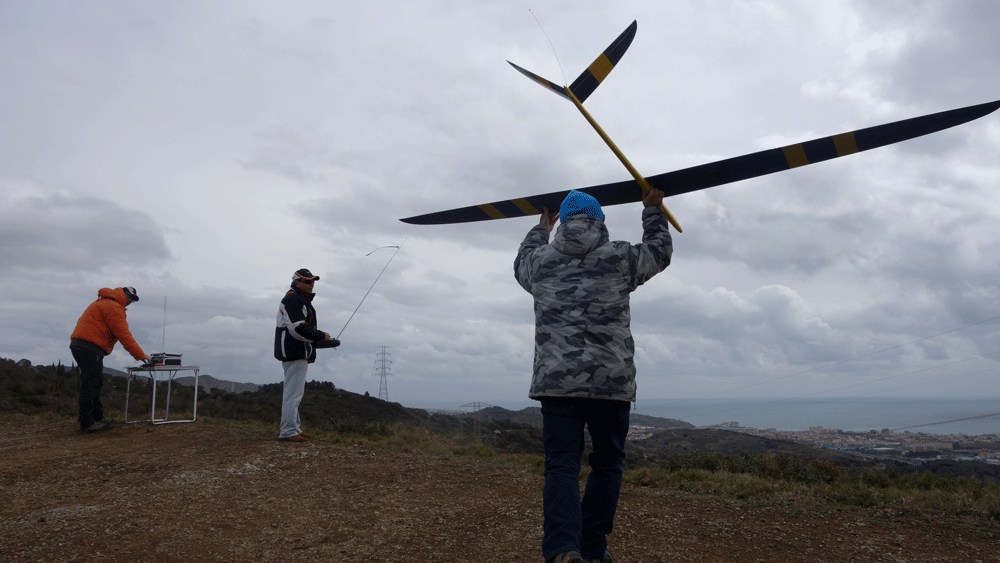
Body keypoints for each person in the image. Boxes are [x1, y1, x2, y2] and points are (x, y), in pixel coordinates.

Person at [514, 188, 673, 563]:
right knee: (607, 463)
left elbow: (521, 262)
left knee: (561, 464)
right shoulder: (620, 256)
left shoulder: (539, 262)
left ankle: (562, 550)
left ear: (562, 222)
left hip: (557, 383)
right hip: (611, 383)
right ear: (600, 220)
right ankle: (592, 549)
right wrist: (653, 211)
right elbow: (659, 252)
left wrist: (540, 228)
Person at [69, 287, 151, 434]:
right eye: (130, 297)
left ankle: (97, 417)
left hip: (82, 346)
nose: (130, 301)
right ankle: (87, 423)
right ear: (123, 294)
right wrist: (141, 355)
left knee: (95, 382)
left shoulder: (104, 302)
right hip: (90, 347)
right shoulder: (114, 307)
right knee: (90, 384)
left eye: (133, 300)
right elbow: (123, 334)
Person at [274, 268, 339, 442]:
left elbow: (299, 329)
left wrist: (319, 339)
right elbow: (297, 329)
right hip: (293, 352)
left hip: (298, 352)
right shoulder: (292, 299)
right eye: (307, 281)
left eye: (313, 281)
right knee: (293, 393)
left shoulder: (299, 299)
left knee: (295, 392)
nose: (311, 284)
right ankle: (288, 431)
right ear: (297, 283)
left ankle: (293, 428)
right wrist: (320, 336)